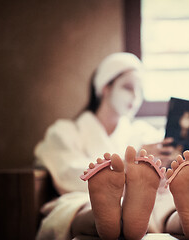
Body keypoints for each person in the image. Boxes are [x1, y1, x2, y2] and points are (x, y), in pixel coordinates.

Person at [34, 52, 175, 239]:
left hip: (144, 205)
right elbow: (67, 175)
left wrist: (165, 167)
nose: (135, 97)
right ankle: (111, 216)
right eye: (128, 87)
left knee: (166, 204)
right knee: (83, 205)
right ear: (105, 88)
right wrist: (125, 168)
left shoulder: (141, 133)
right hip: (83, 197)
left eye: (140, 90)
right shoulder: (65, 132)